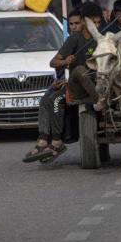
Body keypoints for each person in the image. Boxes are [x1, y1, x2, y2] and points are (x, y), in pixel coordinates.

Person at [24, 10, 86, 163]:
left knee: (57, 100)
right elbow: (53, 62)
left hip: (83, 85)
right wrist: (65, 62)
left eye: (77, 23)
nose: (73, 27)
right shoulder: (72, 39)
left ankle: (57, 141)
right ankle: (43, 139)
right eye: (71, 24)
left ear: (84, 23)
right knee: (46, 99)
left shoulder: (91, 40)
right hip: (70, 83)